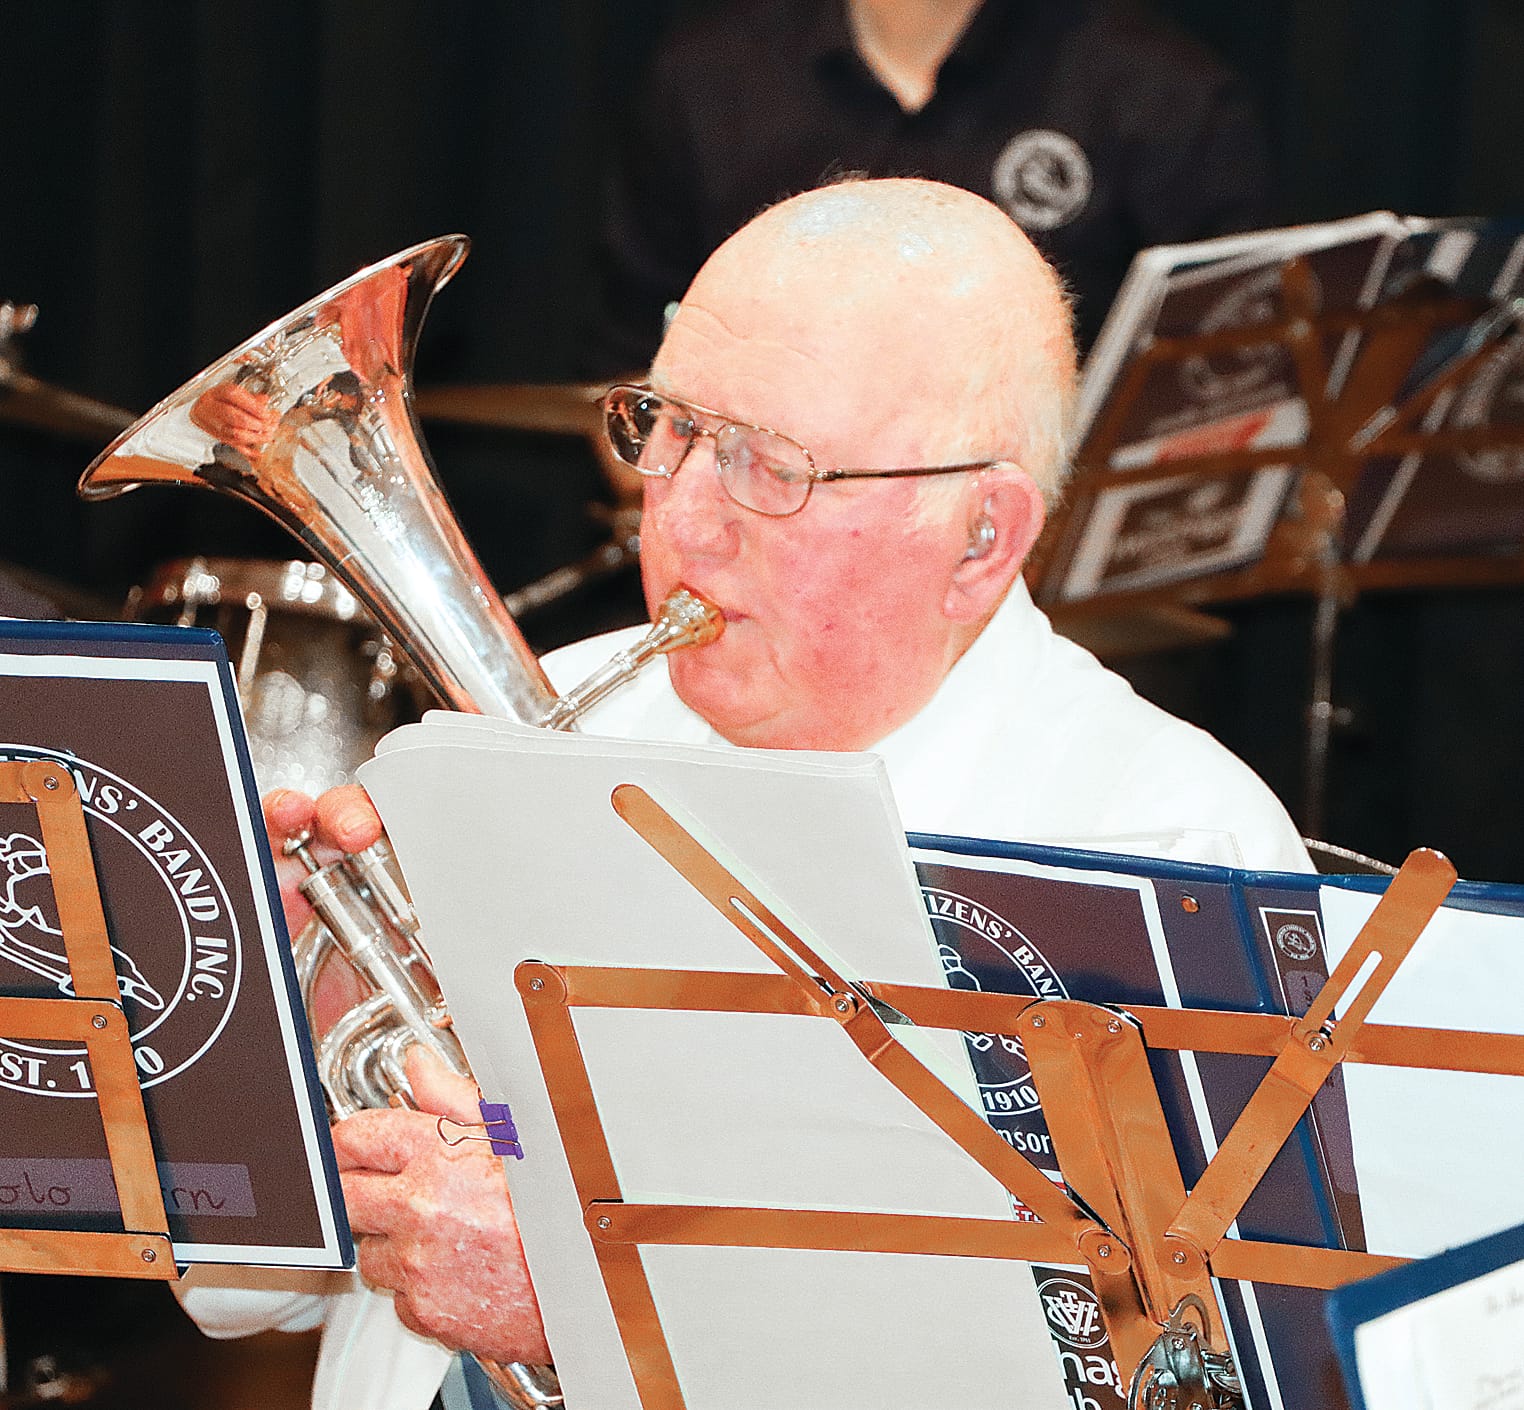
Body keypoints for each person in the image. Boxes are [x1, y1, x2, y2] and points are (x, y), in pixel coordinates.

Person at [179, 177, 1310, 1409]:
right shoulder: (523, 721)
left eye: (772, 466)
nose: (684, 519)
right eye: (667, 428)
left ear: (981, 537)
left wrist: (596, 1305)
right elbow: (239, 1289)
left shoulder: (1159, 852)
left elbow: (1169, 1383)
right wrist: (283, 1021)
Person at [592, 0, 1271, 372]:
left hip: (1054, 566)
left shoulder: (1160, 90)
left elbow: (1225, 371)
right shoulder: (706, 79)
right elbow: (627, 356)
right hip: (778, 536)